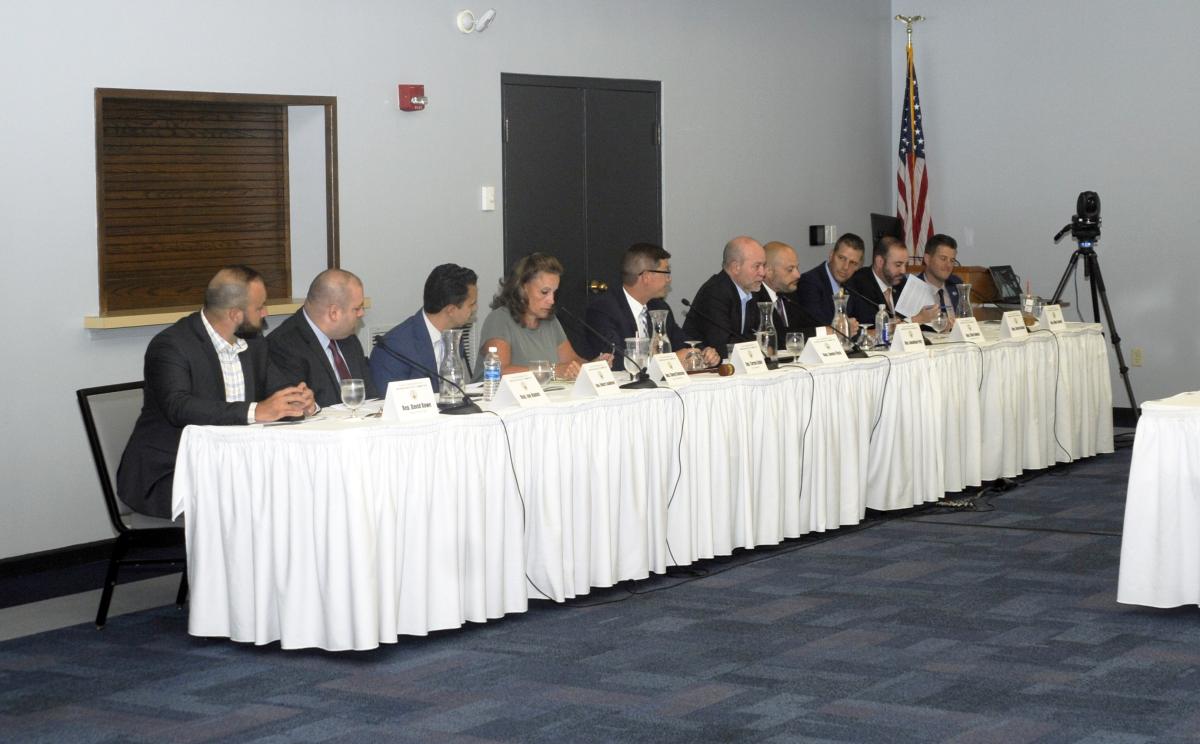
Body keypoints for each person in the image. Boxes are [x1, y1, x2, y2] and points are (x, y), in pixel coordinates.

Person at [117, 266, 315, 518]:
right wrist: (256, 411)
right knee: (253, 501)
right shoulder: (171, 345)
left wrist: (298, 400)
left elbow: (278, 390)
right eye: (259, 307)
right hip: (173, 471)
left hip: (235, 466)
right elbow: (179, 407)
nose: (265, 313)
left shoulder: (254, 343)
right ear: (235, 314)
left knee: (298, 486)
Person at [582, 243, 720, 373]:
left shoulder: (659, 307)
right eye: (666, 272)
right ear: (646, 277)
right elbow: (616, 360)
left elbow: (681, 341)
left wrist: (704, 353)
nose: (669, 279)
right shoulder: (603, 310)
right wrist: (670, 361)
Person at [476, 252, 609, 380]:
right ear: (522, 288)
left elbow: (571, 361)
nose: (551, 300)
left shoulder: (551, 321)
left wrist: (593, 366)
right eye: (544, 292)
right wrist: (552, 371)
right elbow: (500, 371)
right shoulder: (499, 319)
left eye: (554, 293)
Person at [268, 268, 376, 408]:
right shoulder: (283, 346)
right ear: (334, 313)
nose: (362, 313)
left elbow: (371, 396)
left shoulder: (348, 337)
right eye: (357, 308)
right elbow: (296, 409)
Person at [370, 263, 478, 393]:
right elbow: (389, 402)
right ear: (451, 310)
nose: (475, 309)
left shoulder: (454, 338)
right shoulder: (393, 349)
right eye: (472, 304)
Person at [681, 235, 767, 351]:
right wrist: (757, 344)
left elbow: (759, 333)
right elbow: (722, 344)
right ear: (736, 267)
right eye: (757, 266)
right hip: (701, 360)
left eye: (764, 265)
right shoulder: (715, 292)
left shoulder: (753, 291)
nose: (763, 273)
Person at [844, 236, 938, 325]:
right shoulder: (859, 286)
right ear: (880, 262)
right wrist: (917, 320)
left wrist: (935, 319)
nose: (903, 271)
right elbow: (874, 328)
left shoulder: (901, 282)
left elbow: (919, 317)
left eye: (905, 265)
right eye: (898, 265)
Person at [795, 233, 865, 331]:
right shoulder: (809, 282)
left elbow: (861, 320)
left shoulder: (851, 284)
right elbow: (816, 327)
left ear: (858, 266)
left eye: (853, 263)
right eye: (841, 258)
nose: (845, 267)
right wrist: (844, 327)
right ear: (831, 255)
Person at [753, 241, 820, 342]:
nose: (798, 275)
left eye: (797, 267)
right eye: (790, 269)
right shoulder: (754, 298)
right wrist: (821, 332)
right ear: (768, 272)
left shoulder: (790, 294)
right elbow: (775, 337)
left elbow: (806, 325)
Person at [916, 233, 965, 320]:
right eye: (943, 259)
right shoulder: (913, 288)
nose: (948, 265)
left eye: (952, 260)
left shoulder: (957, 285)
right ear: (927, 259)